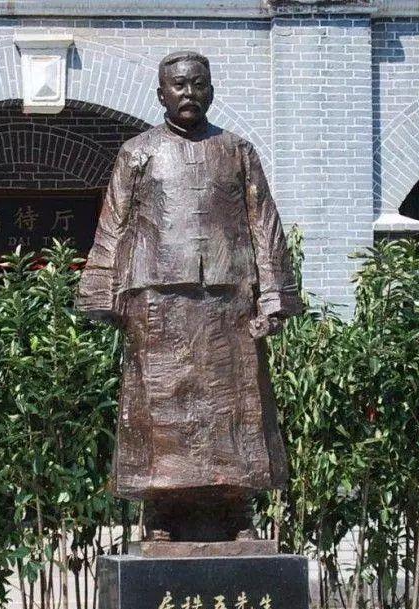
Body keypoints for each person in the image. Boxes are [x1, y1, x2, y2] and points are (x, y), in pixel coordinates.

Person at [76, 51, 304, 542]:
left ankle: (237, 509)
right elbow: (114, 222)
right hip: (157, 302)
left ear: (211, 91)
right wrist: (101, 292)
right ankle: (160, 510)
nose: (189, 94)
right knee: (160, 408)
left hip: (229, 301)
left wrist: (273, 297)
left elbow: (264, 224)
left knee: (236, 409)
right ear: (161, 94)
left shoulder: (238, 150)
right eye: (178, 86)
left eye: (198, 85)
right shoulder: (138, 152)